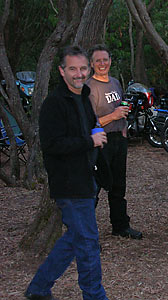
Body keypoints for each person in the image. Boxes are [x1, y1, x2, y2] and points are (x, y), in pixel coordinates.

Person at [25, 45, 108, 300]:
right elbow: (51, 145)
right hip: (68, 184)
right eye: (72, 68)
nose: (79, 73)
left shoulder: (84, 96)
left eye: (83, 68)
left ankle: (38, 289)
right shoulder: (54, 103)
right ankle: (94, 296)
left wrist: (95, 134)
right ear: (62, 71)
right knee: (88, 244)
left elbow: (89, 127)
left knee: (75, 239)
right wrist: (88, 141)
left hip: (86, 179)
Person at [86, 44, 142, 239]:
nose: (102, 63)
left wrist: (123, 126)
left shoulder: (115, 83)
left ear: (110, 61)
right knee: (95, 188)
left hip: (119, 140)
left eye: (105, 59)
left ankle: (120, 226)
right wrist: (113, 115)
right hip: (100, 141)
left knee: (118, 186)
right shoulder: (89, 88)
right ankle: (86, 234)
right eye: (98, 60)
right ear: (92, 64)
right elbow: (88, 122)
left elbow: (121, 110)